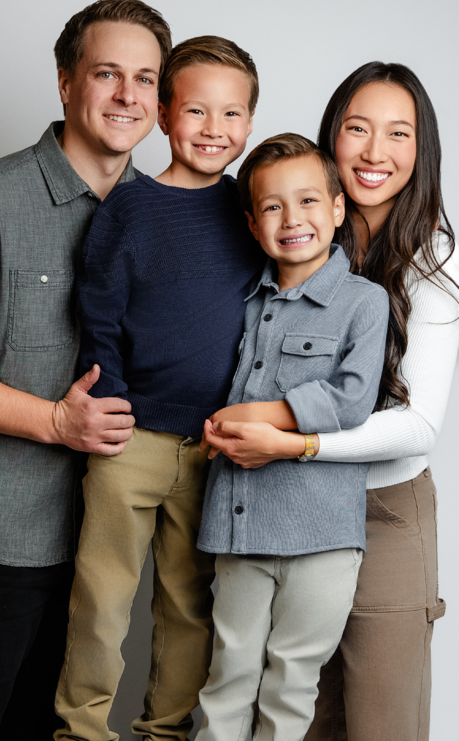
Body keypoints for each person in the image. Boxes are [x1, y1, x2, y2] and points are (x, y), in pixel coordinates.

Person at [202, 62, 459, 741]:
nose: (375, 151)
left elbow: (419, 426)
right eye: (357, 128)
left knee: (381, 721)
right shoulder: (299, 228)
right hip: (282, 501)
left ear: (422, 149)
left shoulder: (433, 259)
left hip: (383, 508)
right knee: (297, 712)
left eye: (398, 133)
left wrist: (291, 440)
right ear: (331, 137)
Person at [0, 0, 171, 741]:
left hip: (102, 546)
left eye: (145, 78)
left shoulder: (164, 218)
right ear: (67, 82)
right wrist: (53, 422)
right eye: (107, 73)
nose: (127, 95)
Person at [53, 35, 263, 741]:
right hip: (130, 439)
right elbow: (98, 313)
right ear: (166, 116)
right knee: (101, 598)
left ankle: (166, 731)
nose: (213, 129)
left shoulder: (251, 212)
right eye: (196, 111)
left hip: (214, 446)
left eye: (231, 114)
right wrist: (110, 399)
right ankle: (80, 730)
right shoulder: (129, 209)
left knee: (188, 603)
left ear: (250, 123)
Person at [195, 133, 389, 741]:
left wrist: (259, 413)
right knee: (227, 677)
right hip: (240, 526)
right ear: (253, 225)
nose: (292, 219)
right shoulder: (242, 300)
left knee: (291, 684)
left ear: (338, 208)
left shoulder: (365, 302)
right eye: (273, 207)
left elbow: (353, 399)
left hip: (322, 536)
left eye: (307, 201)